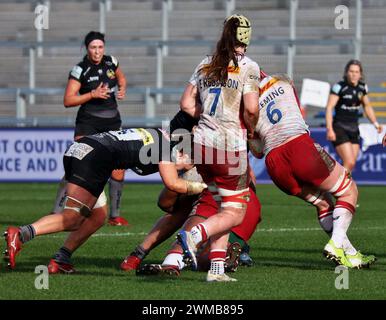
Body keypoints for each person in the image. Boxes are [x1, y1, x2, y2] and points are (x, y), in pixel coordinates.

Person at [3, 128, 207, 270]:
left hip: (81, 149)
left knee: (98, 216)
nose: (188, 166)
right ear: (182, 150)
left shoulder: (158, 136)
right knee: (72, 218)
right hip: (93, 159)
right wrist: (202, 186)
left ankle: (60, 259)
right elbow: (173, 184)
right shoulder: (167, 148)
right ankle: (21, 234)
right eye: (189, 161)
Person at [249, 71, 375, 269]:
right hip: (299, 146)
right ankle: (335, 244)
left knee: (324, 204)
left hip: (274, 163)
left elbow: (256, 151)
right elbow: (297, 111)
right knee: (348, 190)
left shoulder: (246, 104)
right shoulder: (283, 80)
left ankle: (351, 255)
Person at [177, 14, 260, 282]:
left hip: (201, 145)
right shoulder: (248, 66)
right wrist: (251, 131)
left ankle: (216, 269)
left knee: (224, 207)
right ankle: (195, 235)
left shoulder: (205, 64)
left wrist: (207, 115)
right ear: (246, 38)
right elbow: (251, 108)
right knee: (236, 212)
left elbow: (186, 104)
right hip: (229, 146)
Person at [121, 167, 261, 275]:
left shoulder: (201, 156)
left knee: (199, 252)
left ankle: (173, 260)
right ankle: (222, 256)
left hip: (226, 194)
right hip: (236, 197)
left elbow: (165, 202)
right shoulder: (224, 151)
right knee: (203, 257)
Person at [54, 31, 128, 226]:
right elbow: (68, 100)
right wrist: (92, 94)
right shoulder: (80, 70)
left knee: (118, 169)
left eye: (100, 47)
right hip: (88, 123)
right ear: (87, 48)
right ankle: (57, 210)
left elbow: (122, 79)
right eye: (93, 47)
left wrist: (122, 89)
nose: (97, 51)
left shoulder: (112, 62)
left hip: (112, 122)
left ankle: (115, 216)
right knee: (78, 166)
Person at [326, 60, 383, 173]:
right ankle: (337, 189)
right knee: (350, 161)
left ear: (360, 74)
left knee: (351, 165)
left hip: (354, 128)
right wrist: (330, 129)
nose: (354, 74)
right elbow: (329, 107)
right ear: (346, 72)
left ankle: (334, 188)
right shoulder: (339, 87)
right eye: (351, 71)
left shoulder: (362, 88)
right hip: (339, 127)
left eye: (356, 72)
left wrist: (375, 124)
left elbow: (367, 106)